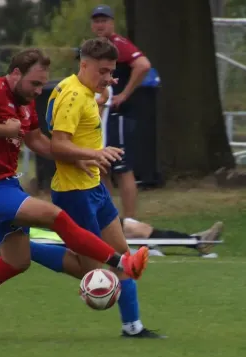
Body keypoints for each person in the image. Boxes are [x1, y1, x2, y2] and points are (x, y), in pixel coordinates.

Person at [0, 48, 149, 339]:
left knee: (16, 260)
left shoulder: (25, 104)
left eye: (41, 85)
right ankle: (121, 262)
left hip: (5, 184)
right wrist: (3, 129)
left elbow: (38, 141)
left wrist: (77, 158)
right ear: (16, 73)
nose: (37, 91)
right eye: (34, 84)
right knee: (53, 215)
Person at [47, 37, 164, 339]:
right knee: (95, 270)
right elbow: (58, 146)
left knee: (123, 256)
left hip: (94, 187)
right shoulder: (72, 95)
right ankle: (24, 248)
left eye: (112, 72)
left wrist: (90, 156)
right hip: (74, 193)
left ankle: (133, 327)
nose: (108, 78)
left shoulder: (88, 91)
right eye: (102, 71)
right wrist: (95, 154)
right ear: (83, 64)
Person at [90, 4, 151, 220]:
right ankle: (108, 220)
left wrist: (124, 94)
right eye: (96, 21)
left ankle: (131, 222)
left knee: (122, 169)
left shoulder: (119, 45)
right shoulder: (94, 48)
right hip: (101, 116)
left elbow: (143, 65)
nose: (99, 25)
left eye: (103, 21)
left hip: (118, 115)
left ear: (112, 23)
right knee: (103, 168)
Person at [0, 212, 224, 257]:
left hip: (65, 224)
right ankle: (195, 242)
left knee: (133, 227)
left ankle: (194, 241)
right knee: (134, 230)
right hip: (67, 234)